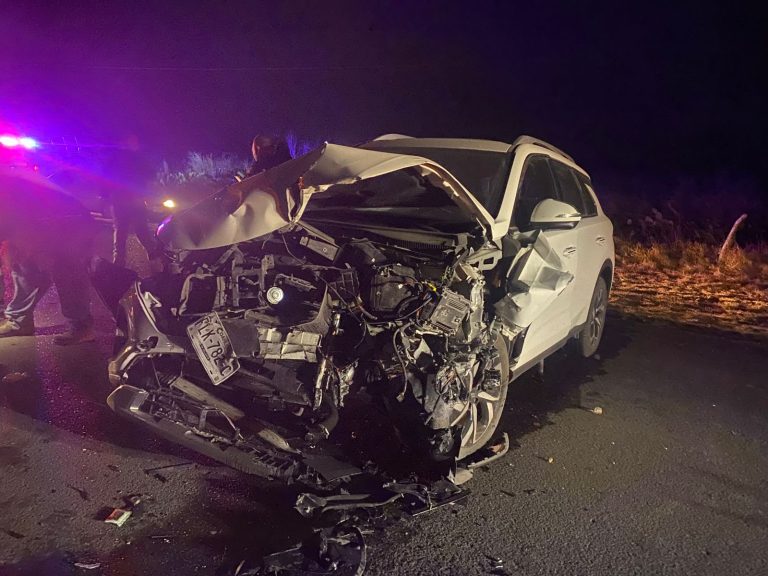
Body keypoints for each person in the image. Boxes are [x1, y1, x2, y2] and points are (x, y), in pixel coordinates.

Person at [0, 168, 96, 344]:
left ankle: (81, 326)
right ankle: (19, 321)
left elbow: (15, 224)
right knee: (25, 270)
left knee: (67, 271)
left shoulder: (7, 186)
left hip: (70, 224)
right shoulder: (9, 180)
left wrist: (26, 250)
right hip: (42, 223)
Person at [103, 134, 160, 268]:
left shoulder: (116, 158)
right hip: (129, 199)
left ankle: (119, 261)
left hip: (123, 199)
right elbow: (150, 175)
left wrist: (105, 196)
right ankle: (152, 253)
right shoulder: (136, 158)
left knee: (123, 231)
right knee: (136, 230)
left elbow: (105, 176)